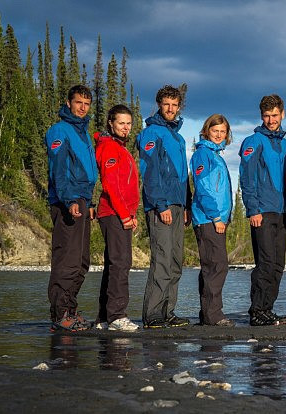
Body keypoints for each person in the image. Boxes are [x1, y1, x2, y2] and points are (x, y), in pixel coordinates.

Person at [137, 85, 191, 329]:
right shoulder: (152, 133)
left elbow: (183, 176)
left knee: (175, 260)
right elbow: (149, 172)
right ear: (159, 104)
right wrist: (160, 205)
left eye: (174, 105)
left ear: (179, 107)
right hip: (162, 206)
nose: (170, 108)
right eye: (166, 104)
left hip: (178, 205)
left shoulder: (178, 138)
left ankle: (168, 311)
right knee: (162, 259)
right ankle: (153, 314)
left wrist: (187, 205)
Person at [45, 84, 98, 332]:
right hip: (67, 202)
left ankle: (70, 310)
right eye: (78, 103)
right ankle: (60, 315)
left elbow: (85, 172)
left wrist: (90, 202)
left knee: (81, 261)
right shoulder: (60, 130)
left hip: (82, 201)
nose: (83, 108)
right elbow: (59, 170)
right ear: (69, 103)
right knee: (67, 260)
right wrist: (69, 201)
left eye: (86, 104)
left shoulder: (84, 133)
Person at [239, 94, 286, 326]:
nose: (271, 120)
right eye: (267, 116)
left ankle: (268, 309)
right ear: (261, 116)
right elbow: (247, 178)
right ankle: (257, 311)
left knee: (278, 265)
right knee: (266, 263)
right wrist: (253, 209)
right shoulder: (253, 142)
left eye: (275, 115)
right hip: (262, 211)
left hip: (282, 213)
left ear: (283, 114)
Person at [93, 104, 140, 332]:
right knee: (121, 262)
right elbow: (111, 185)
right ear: (111, 123)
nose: (125, 127)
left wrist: (132, 214)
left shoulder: (119, 148)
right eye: (121, 123)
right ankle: (117, 316)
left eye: (128, 123)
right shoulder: (110, 147)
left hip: (119, 213)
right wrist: (124, 215)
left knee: (114, 263)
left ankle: (104, 317)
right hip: (113, 213)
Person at [191, 114, 235, 327]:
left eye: (222, 131)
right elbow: (203, 188)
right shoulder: (203, 154)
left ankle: (208, 313)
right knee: (217, 266)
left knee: (212, 266)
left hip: (216, 218)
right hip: (208, 218)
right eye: (215, 130)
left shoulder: (215, 155)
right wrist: (216, 216)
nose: (218, 135)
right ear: (207, 131)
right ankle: (213, 315)